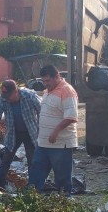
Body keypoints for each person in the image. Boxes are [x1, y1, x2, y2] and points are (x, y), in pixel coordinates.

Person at [27, 65, 79, 195]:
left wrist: (55, 132)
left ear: (57, 77)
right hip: (43, 142)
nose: (45, 84)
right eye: (43, 81)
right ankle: (31, 197)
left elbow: (71, 117)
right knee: (36, 171)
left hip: (60, 143)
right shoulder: (47, 91)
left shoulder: (67, 91)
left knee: (62, 176)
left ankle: (65, 199)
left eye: (48, 81)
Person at [0, 79, 41, 186]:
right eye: (5, 96)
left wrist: (41, 129)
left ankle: (32, 187)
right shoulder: (3, 100)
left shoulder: (30, 96)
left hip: (31, 133)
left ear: (16, 91)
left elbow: (42, 112)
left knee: (32, 161)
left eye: (9, 96)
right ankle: (0, 184)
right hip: (13, 134)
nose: (7, 99)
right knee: (6, 160)